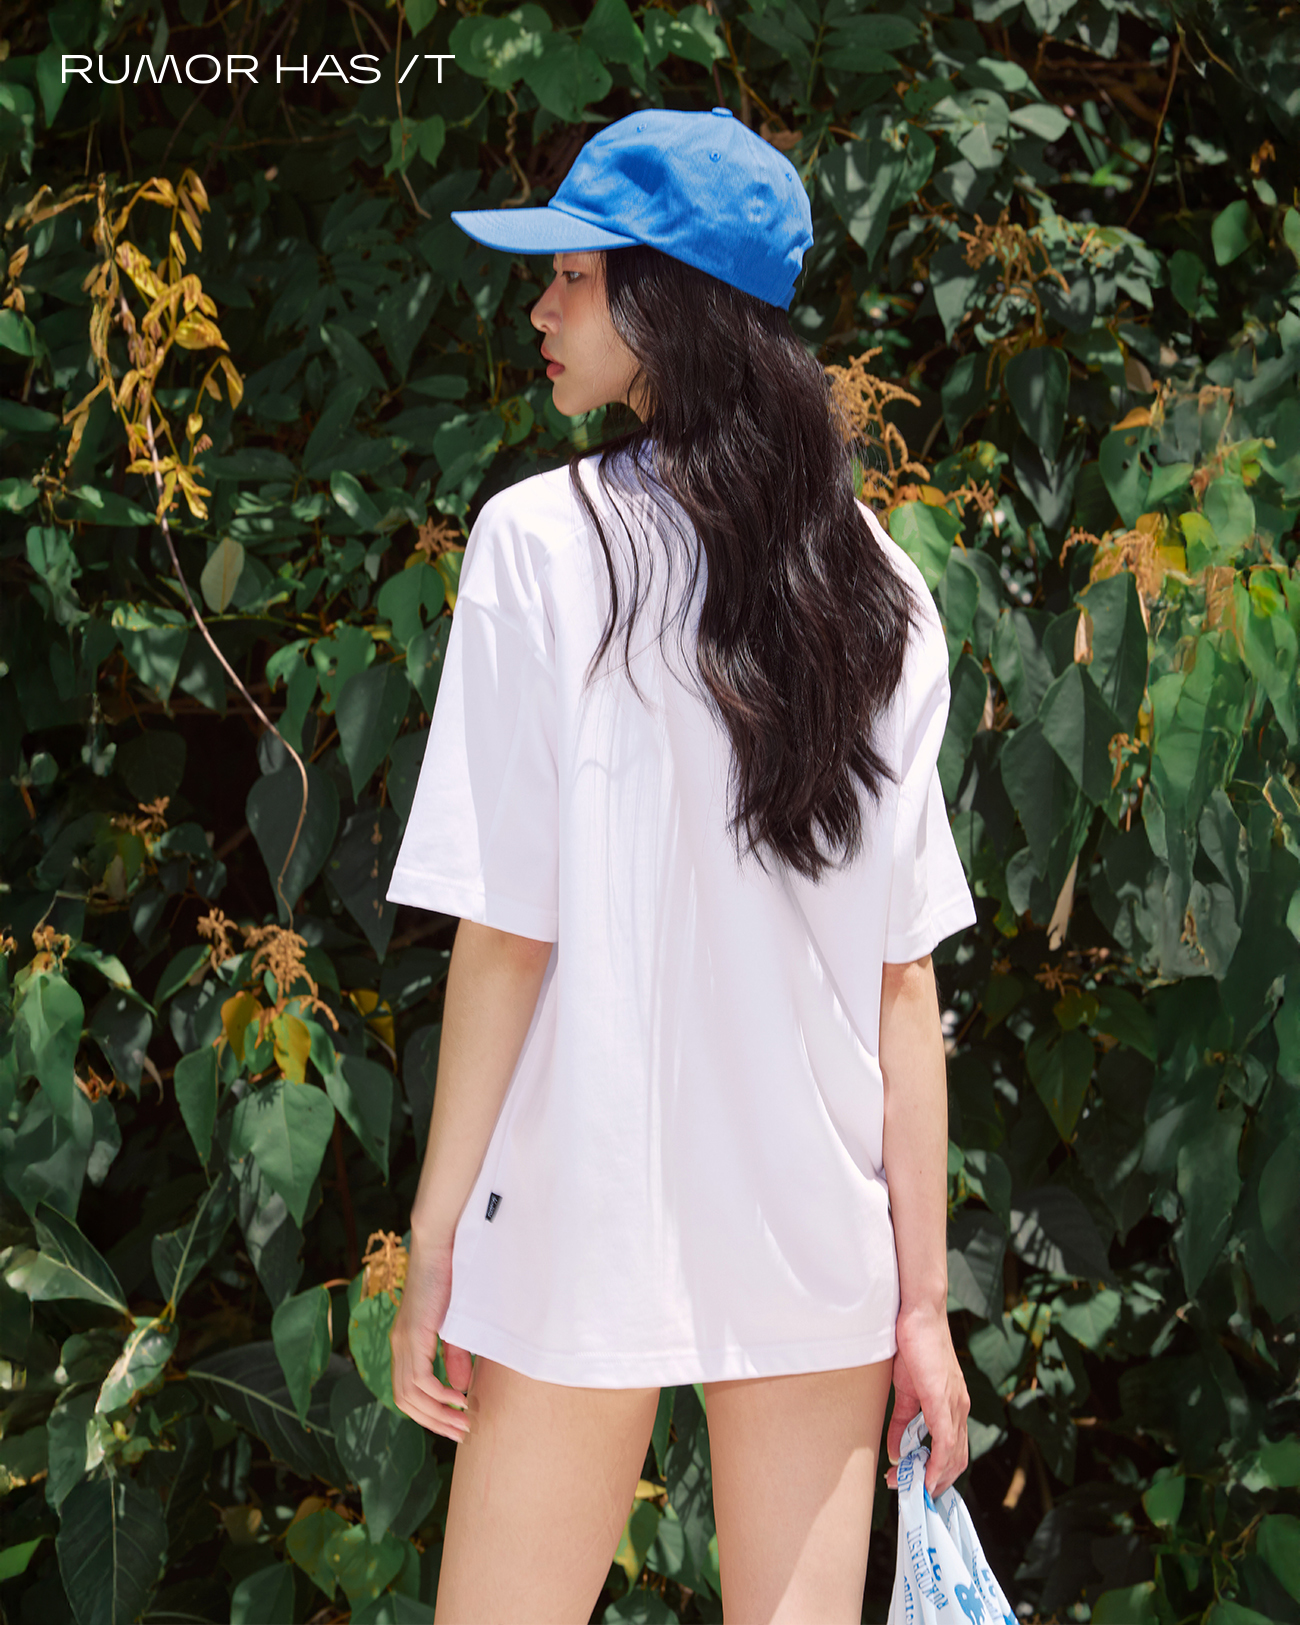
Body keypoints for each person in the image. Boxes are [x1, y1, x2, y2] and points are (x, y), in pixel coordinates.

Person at [385, 105, 975, 1625]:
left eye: (570, 275)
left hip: (585, 1208)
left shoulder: (538, 544)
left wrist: (436, 1234)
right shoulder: (886, 589)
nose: (539, 308)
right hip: (817, 1234)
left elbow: (507, 935)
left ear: (666, 304)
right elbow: (905, 985)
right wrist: (922, 1304)